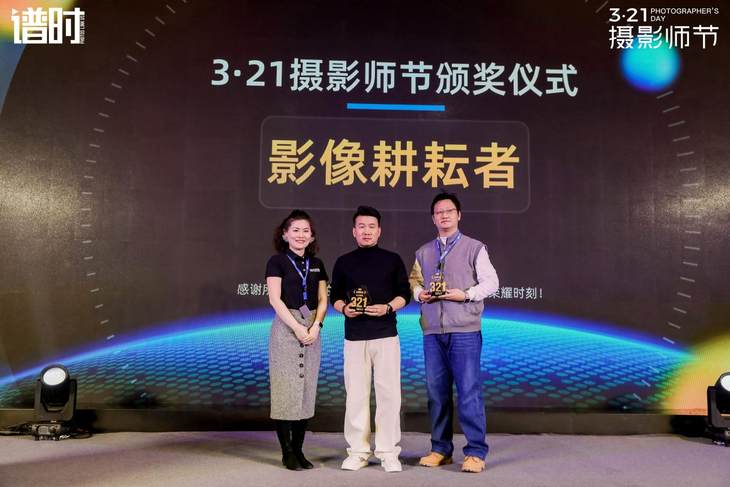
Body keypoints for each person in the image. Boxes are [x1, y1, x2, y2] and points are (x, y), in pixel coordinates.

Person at [409, 192, 499, 474]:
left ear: (458, 215)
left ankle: (475, 452)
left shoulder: (475, 248)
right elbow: (414, 281)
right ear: (433, 218)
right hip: (432, 332)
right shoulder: (424, 252)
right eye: (439, 212)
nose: (444, 216)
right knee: (436, 393)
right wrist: (419, 294)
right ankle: (440, 449)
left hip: (464, 330)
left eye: (449, 211)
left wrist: (466, 294)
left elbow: (492, 282)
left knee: (469, 392)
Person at [330, 206, 410, 473]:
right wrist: (344, 308)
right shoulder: (343, 262)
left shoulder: (392, 259)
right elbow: (335, 296)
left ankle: (388, 451)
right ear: (354, 231)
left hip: (386, 334)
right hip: (354, 336)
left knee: (389, 395)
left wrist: (387, 307)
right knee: (356, 395)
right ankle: (358, 451)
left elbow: (404, 294)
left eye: (371, 226)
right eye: (361, 226)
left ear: (379, 230)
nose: (366, 231)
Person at [265, 210, 328, 470]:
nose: (301, 235)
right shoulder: (277, 261)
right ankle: (287, 452)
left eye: (306, 231)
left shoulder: (317, 263)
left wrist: (316, 326)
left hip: (312, 328)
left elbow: (322, 299)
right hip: (286, 329)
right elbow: (275, 299)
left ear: (311, 236)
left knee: (306, 390)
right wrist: (296, 327)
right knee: (285, 390)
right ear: (285, 234)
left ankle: (300, 450)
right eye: (295, 230)